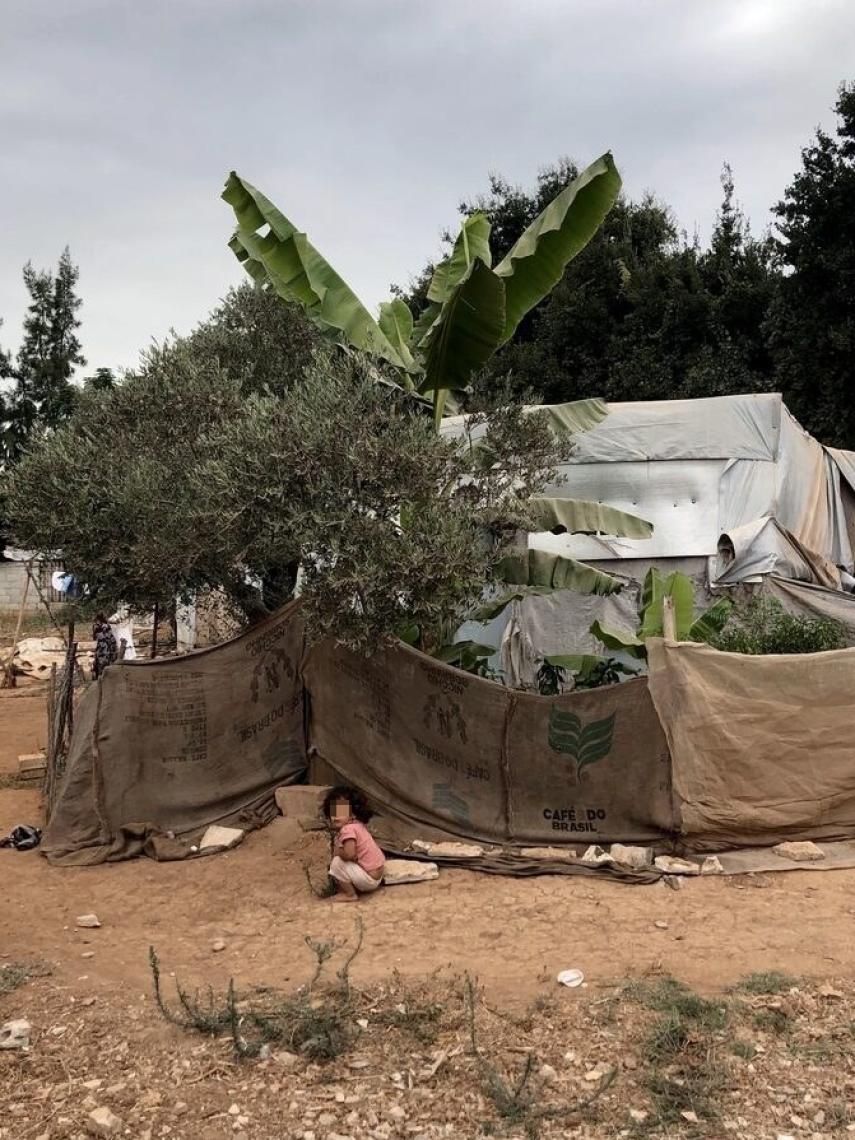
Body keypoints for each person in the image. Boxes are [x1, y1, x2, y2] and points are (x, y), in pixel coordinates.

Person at [323, 786, 385, 902]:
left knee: (337, 863)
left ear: (353, 814)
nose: (335, 816)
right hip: (378, 875)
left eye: (340, 811)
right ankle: (354, 885)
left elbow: (350, 854)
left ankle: (349, 894)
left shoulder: (347, 830)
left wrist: (338, 852)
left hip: (370, 880)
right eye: (333, 811)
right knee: (343, 862)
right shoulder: (357, 825)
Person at [92, 613, 118, 678]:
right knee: (106, 661)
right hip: (107, 645)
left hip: (102, 646)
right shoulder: (107, 625)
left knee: (101, 661)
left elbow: (95, 637)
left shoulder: (96, 625)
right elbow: (111, 637)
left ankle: (101, 676)